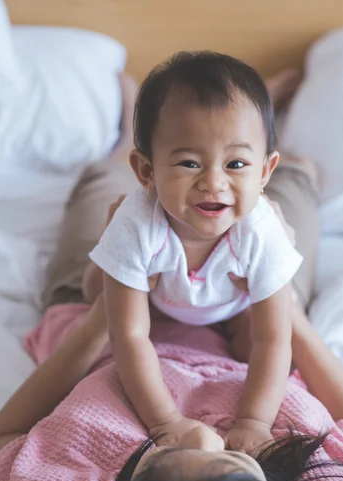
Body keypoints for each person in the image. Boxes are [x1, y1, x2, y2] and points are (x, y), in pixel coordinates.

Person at [0, 66, 343, 481]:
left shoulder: (75, 478)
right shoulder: (306, 470)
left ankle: (134, 144)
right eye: (233, 459)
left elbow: (7, 435)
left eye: (161, 457)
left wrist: (107, 313)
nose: (202, 434)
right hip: (234, 315)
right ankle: (263, 157)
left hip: (104, 324)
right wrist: (274, 352)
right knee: (284, 204)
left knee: (104, 193)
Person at [87, 51, 304, 454]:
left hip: (235, 303)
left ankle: (279, 136)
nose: (213, 183)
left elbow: (274, 338)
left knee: (299, 187)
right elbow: (129, 335)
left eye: (236, 163)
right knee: (86, 283)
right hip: (161, 293)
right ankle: (124, 134)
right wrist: (164, 421)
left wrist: (254, 422)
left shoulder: (260, 230)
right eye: (189, 163)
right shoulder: (137, 223)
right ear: (147, 172)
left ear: (263, 172)